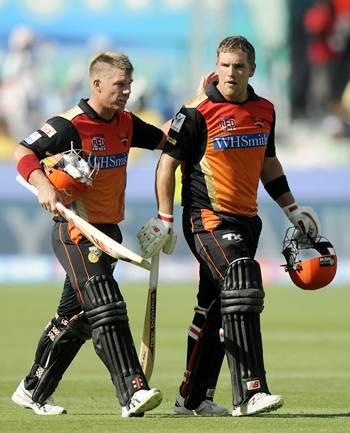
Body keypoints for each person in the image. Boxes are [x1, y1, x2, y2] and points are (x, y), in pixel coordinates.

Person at [137, 35, 321, 417]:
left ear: (252, 69)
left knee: (216, 306)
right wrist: (164, 217)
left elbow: (269, 163)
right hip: (206, 218)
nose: (230, 73)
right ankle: (250, 391)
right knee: (242, 279)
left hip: (247, 220)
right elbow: (166, 165)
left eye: (238, 66)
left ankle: (191, 399)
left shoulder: (265, 109)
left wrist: (292, 208)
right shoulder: (196, 112)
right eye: (224, 64)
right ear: (215, 65)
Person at [11, 51, 167, 417]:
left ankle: (33, 389)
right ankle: (133, 390)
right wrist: (44, 186)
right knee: (106, 304)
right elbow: (23, 152)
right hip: (75, 231)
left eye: (129, 84)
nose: (127, 91)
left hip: (109, 232)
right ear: (96, 84)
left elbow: (170, 142)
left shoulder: (127, 123)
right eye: (120, 84)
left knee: (76, 319)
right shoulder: (68, 125)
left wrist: (164, 218)